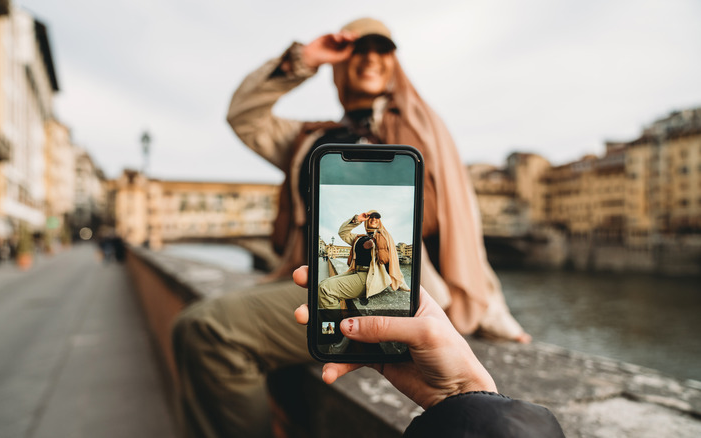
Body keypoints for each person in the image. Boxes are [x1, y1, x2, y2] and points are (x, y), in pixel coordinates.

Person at [173, 17, 530, 438]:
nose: (370, 59)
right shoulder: (311, 138)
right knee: (224, 323)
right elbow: (244, 117)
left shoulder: (419, 126)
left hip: (392, 289)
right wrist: (305, 59)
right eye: (358, 50)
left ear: (396, 64)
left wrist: (490, 307)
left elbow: (460, 216)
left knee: (207, 329)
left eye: (382, 50)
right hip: (314, 276)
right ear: (342, 65)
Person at [294, 266, 565, 438]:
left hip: (373, 281)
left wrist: (465, 393)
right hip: (470, 408)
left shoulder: (380, 240)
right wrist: (463, 392)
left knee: (324, 290)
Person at [318, 210, 407, 310]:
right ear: (366, 221)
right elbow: (342, 233)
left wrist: (402, 284)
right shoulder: (359, 238)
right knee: (322, 283)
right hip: (356, 272)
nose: (373, 219)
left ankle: (335, 323)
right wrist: (357, 219)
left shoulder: (385, 238)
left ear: (380, 221)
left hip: (370, 277)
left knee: (325, 289)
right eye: (370, 217)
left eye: (376, 217)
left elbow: (392, 262)